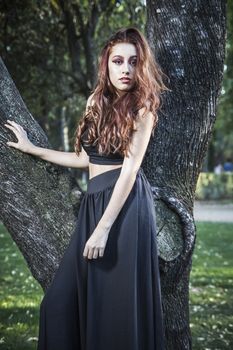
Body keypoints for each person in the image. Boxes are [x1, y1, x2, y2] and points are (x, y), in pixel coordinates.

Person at [4, 27, 168, 350]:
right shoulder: (97, 102)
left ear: (141, 67)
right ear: (106, 65)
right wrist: (32, 149)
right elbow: (84, 158)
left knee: (116, 314)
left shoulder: (143, 108)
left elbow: (130, 170)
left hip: (125, 208)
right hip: (95, 202)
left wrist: (103, 229)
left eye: (133, 62)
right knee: (58, 303)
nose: (126, 69)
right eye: (118, 61)